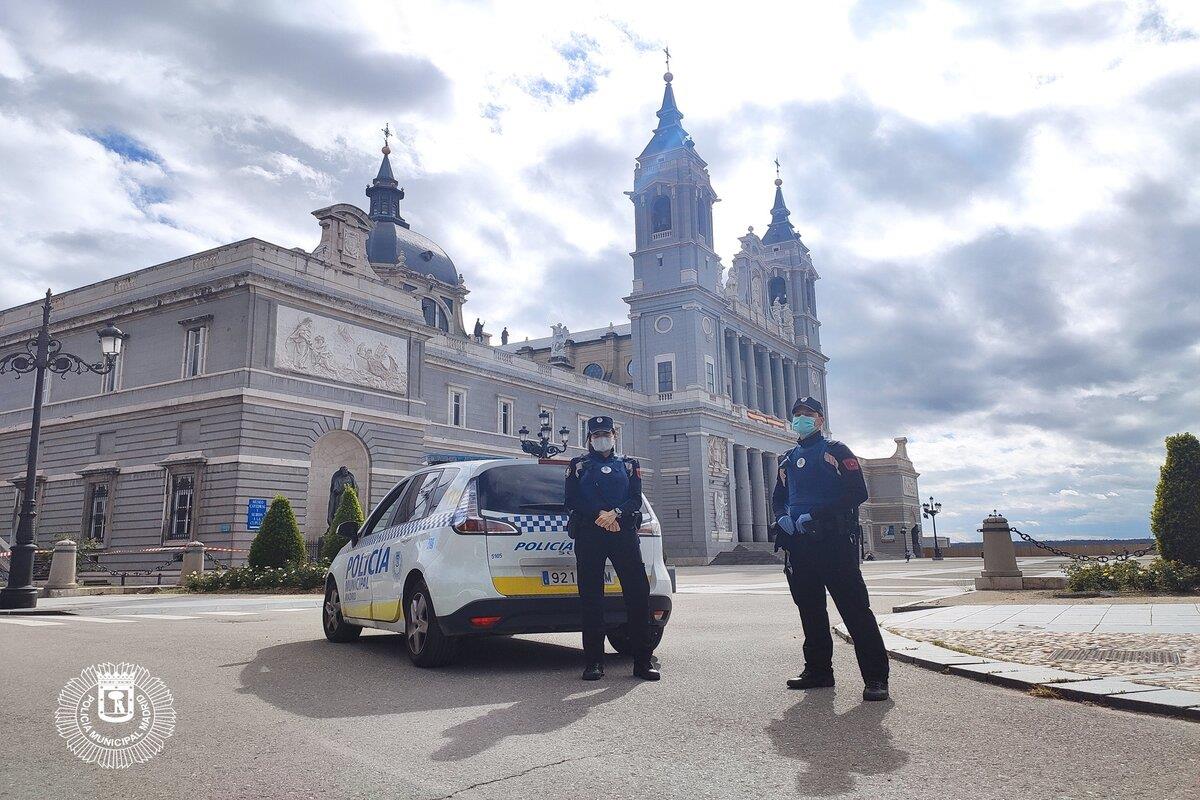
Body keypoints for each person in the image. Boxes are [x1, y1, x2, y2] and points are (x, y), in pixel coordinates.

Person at [772, 397, 890, 701]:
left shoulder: (837, 451)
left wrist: (817, 515)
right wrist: (782, 517)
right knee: (810, 611)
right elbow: (778, 498)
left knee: (855, 611)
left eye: (808, 415)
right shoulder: (786, 459)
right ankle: (818, 671)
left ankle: (876, 678)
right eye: (797, 415)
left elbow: (857, 492)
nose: (801, 419)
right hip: (799, 545)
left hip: (834, 543)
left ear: (820, 420)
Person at [564, 416, 660, 682]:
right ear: (589, 439)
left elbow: (634, 498)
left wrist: (615, 514)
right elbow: (571, 500)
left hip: (623, 533)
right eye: (596, 435)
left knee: (638, 595)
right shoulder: (578, 465)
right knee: (592, 598)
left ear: (614, 436)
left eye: (605, 434)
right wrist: (601, 516)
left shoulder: (629, 465)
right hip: (590, 534)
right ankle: (594, 662)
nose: (601, 438)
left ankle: (642, 662)